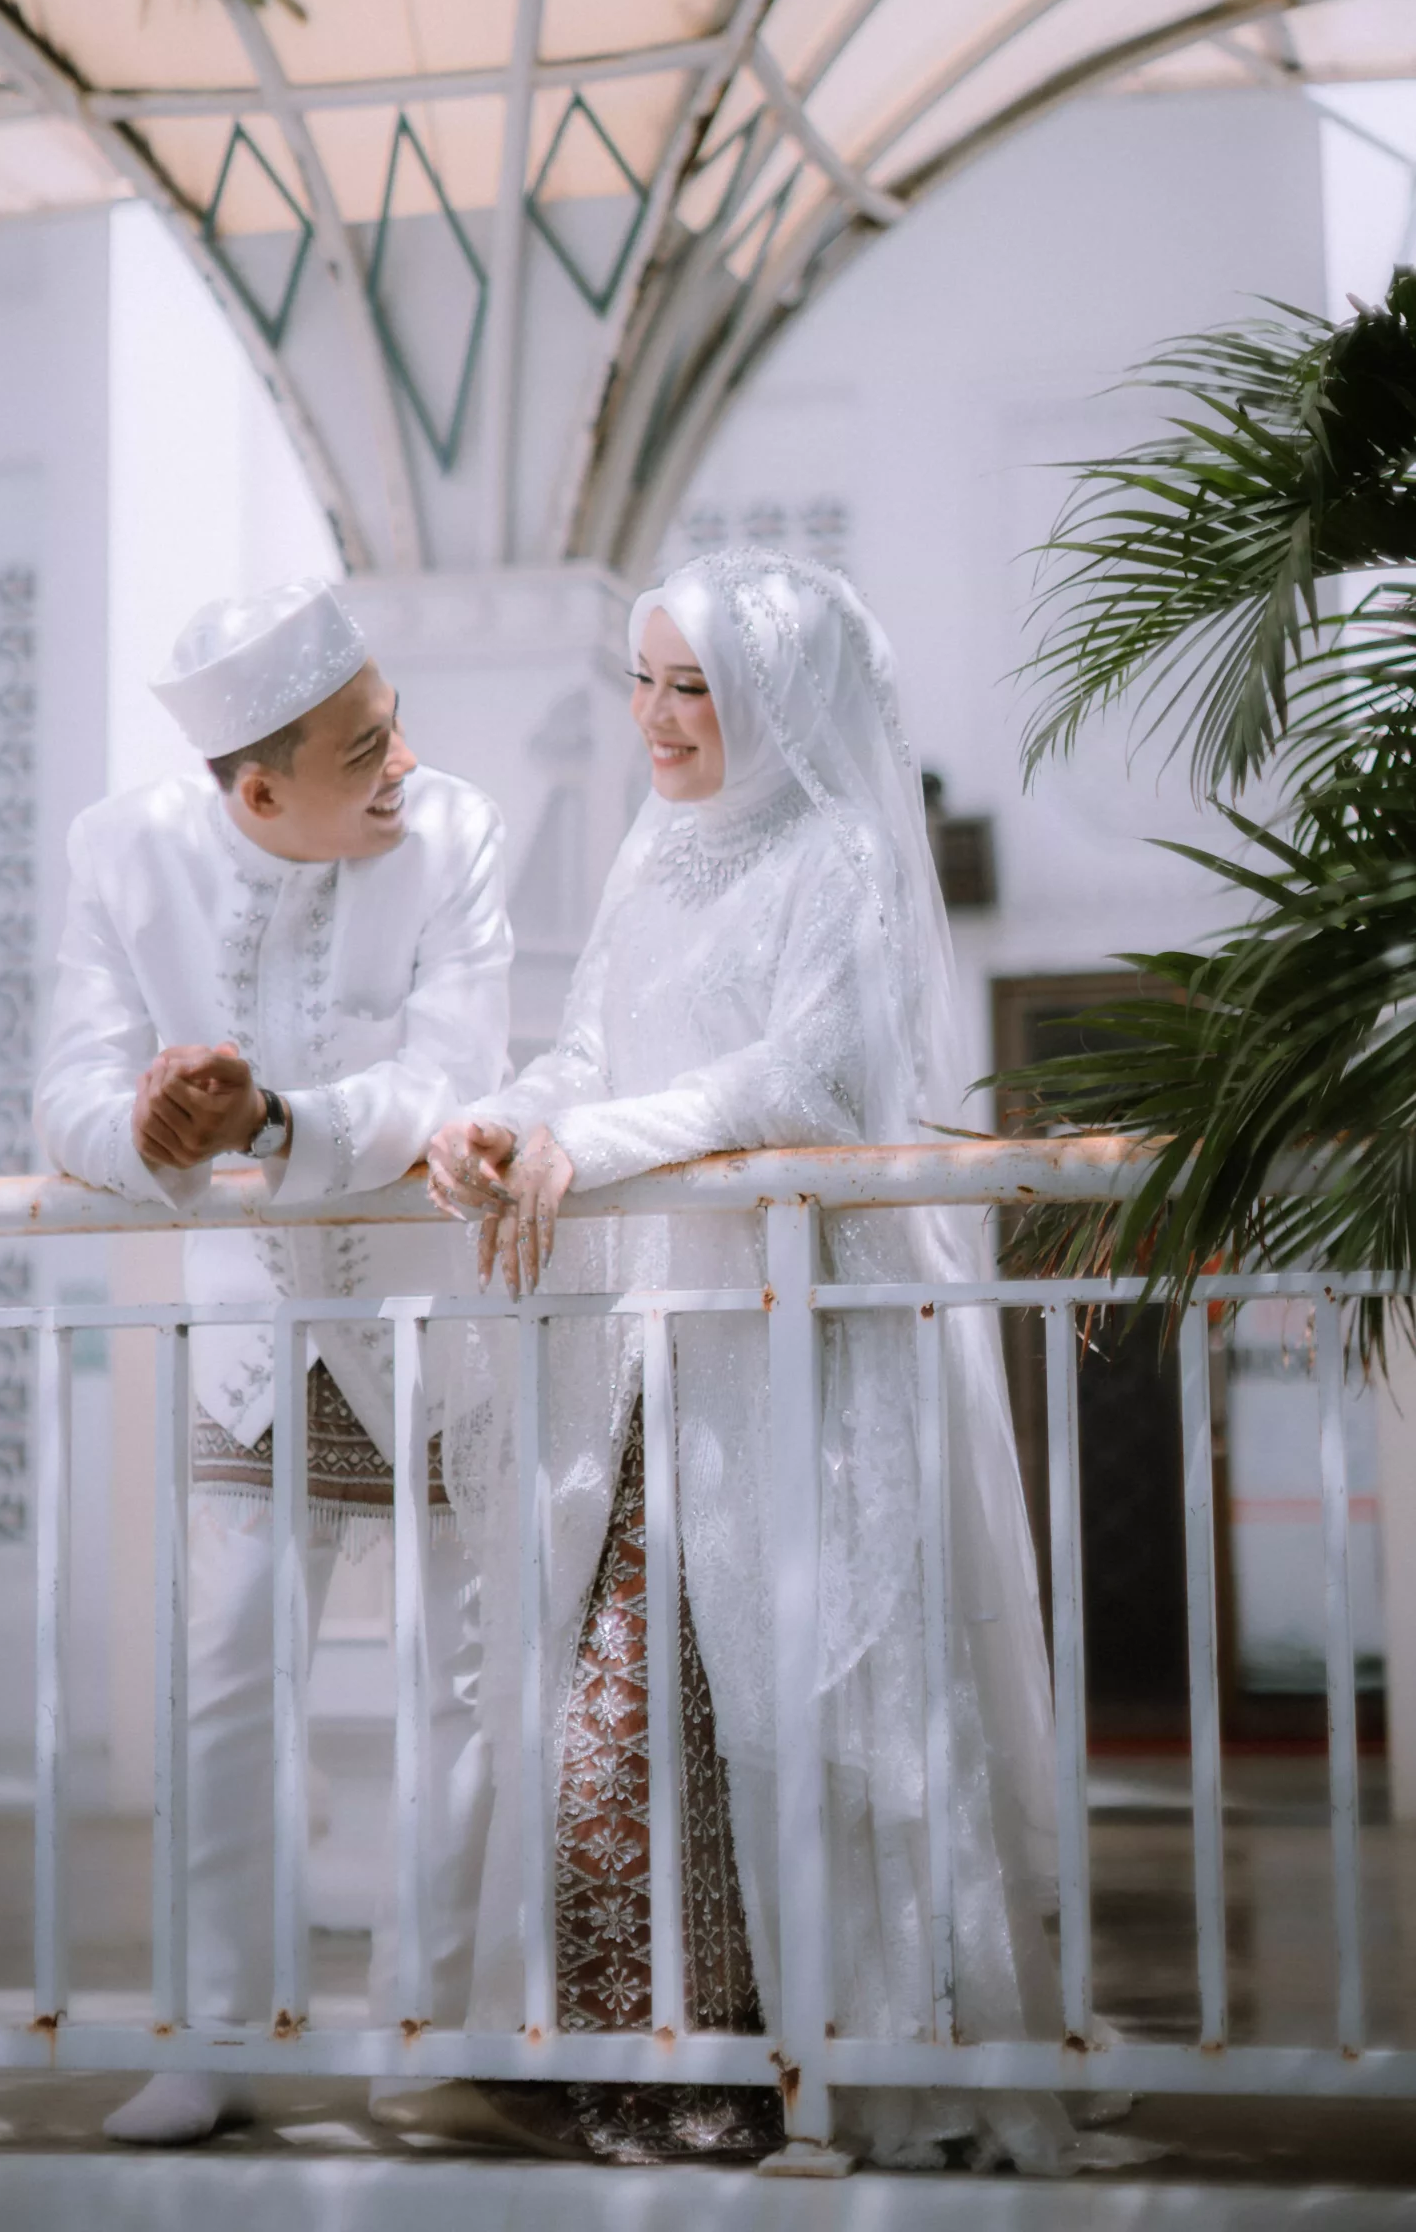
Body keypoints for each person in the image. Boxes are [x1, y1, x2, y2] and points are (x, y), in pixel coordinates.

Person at [428, 549, 1127, 2172]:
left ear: (778, 697)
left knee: (816, 1698)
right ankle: (646, 2066)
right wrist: (511, 1119)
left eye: (695, 689)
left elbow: (797, 1079)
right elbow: (593, 1044)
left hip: (809, 1354)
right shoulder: (652, 846)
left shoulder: (840, 859)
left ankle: (827, 2062)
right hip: (659, 1349)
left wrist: (593, 1143)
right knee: (619, 1720)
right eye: (642, 680)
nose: (655, 718)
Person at [34, 578, 510, 2146]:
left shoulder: (457, 832)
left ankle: (428, 2040)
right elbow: (68, 1095)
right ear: (254, 792)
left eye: (394, 723)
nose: (403, 761)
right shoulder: (124, 855)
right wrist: (148, 1129)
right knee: (226, 1680)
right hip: (251, 1335)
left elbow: (455, 1072)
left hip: (431, 1324)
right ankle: (211, 2038)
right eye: (363, 746)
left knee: (454, 1683)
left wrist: (281, 1120)